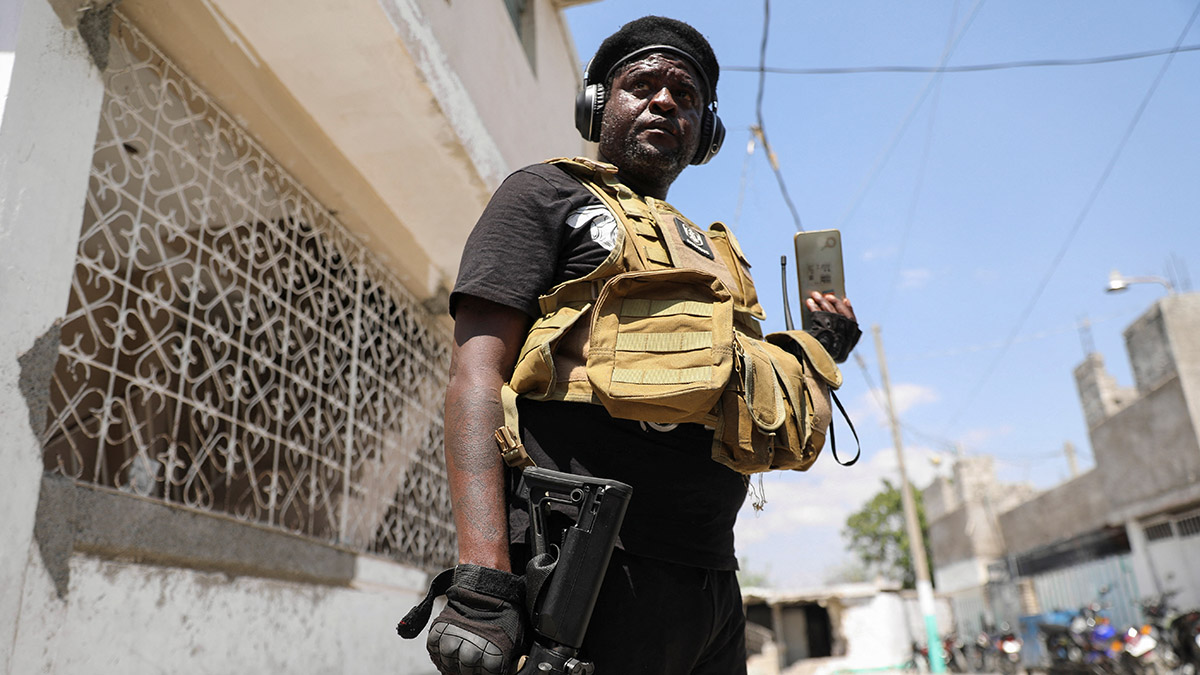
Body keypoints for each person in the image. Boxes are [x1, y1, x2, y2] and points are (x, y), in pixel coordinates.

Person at [424, 15, 859, 675]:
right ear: (597, 106)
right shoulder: (546, 194)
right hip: (586, 573)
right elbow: (475, 376)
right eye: (643, 86)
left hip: (712, 580)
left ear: (705, 132)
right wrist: (483, 575)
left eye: (685, 96)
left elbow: (736, 389)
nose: (665, 102)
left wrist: (818, 346)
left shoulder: (714, 254)